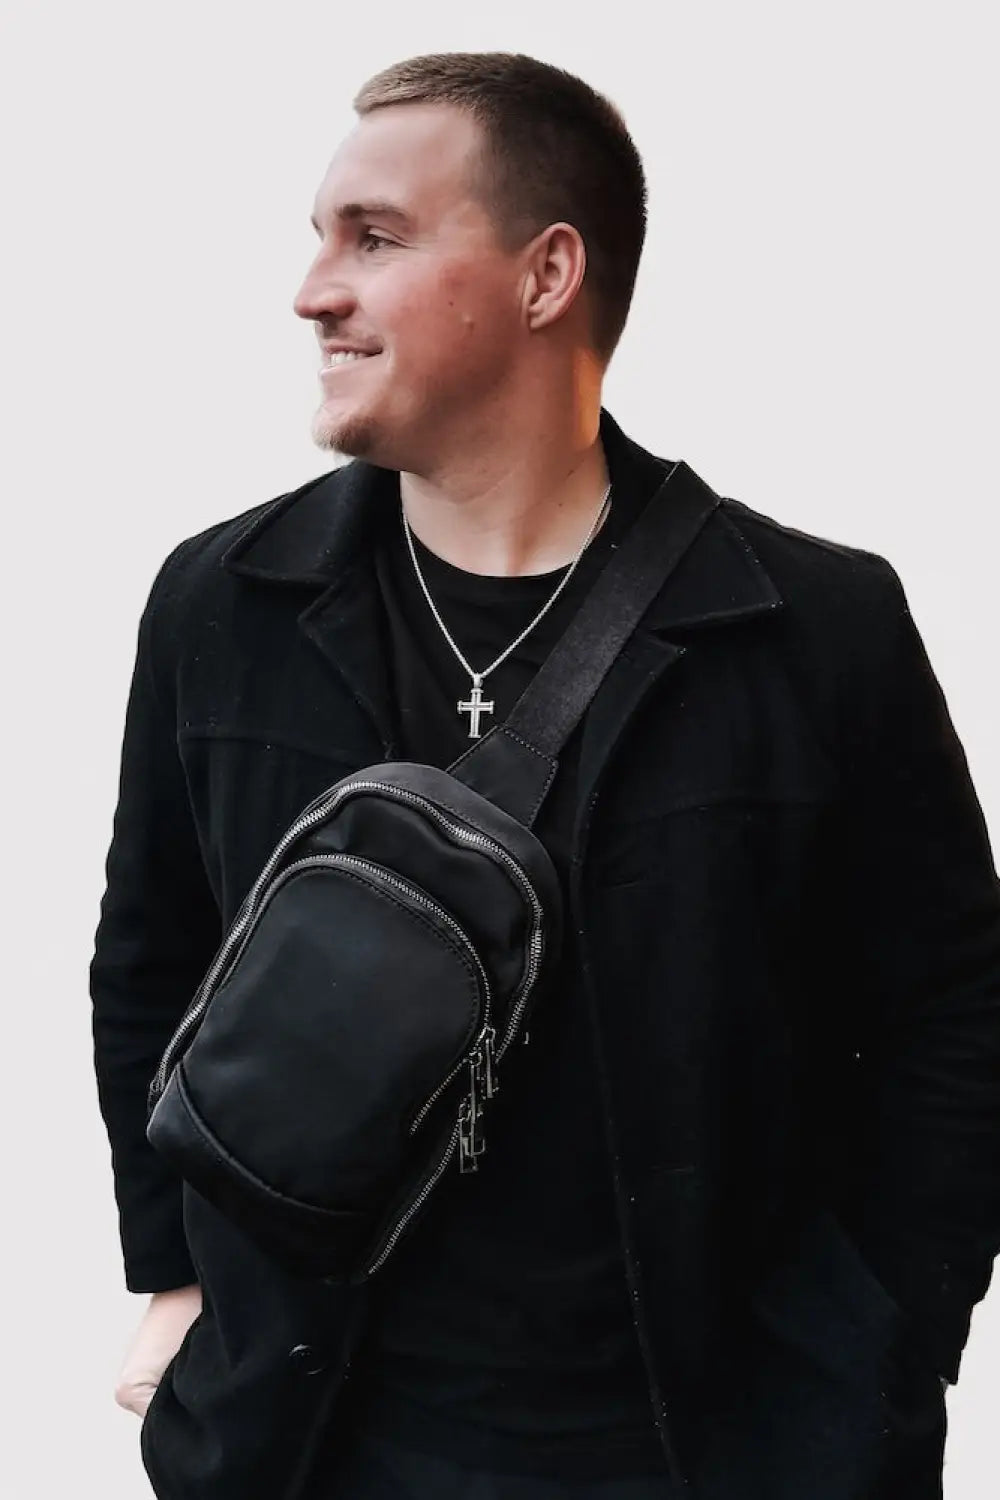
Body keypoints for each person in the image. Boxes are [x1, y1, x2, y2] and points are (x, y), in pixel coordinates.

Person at [91, 50, 1000, 1500]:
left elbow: (951, 1010)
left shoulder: (815, 627)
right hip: (312, 1446)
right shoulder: (224, 604)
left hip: (706, 1454)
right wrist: (175, 1273)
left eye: (375, 238)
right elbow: (153, 962)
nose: (313, 291)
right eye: (320, 238)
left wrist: (885, 1342)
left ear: (546, 274)